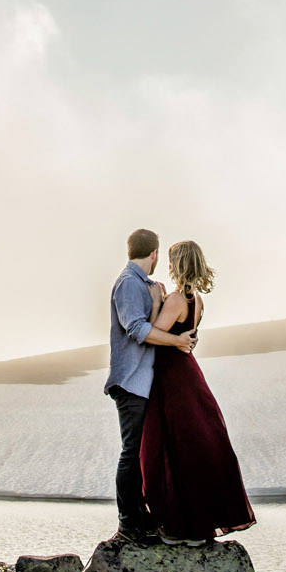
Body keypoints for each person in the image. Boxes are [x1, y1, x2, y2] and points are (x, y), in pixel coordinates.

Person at [139, 239, 256, 543]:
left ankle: (180, 526)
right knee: (192, 448)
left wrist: (155, 303)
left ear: (177, 265)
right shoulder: (197, 302)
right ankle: (195, 525)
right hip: (188, 375)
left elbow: (151, 335)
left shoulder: (177, 300)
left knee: (167, 449)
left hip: (172, 380)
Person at [105, 227, 200, 542]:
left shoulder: (145, 284)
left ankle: (141, 518)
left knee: (142, 453)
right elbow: (136, 329)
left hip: (143, 381)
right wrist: (176, 340)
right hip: (130, 380)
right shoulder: (129, 283)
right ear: (155, 254)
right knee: (132, 453)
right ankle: (127, 524)